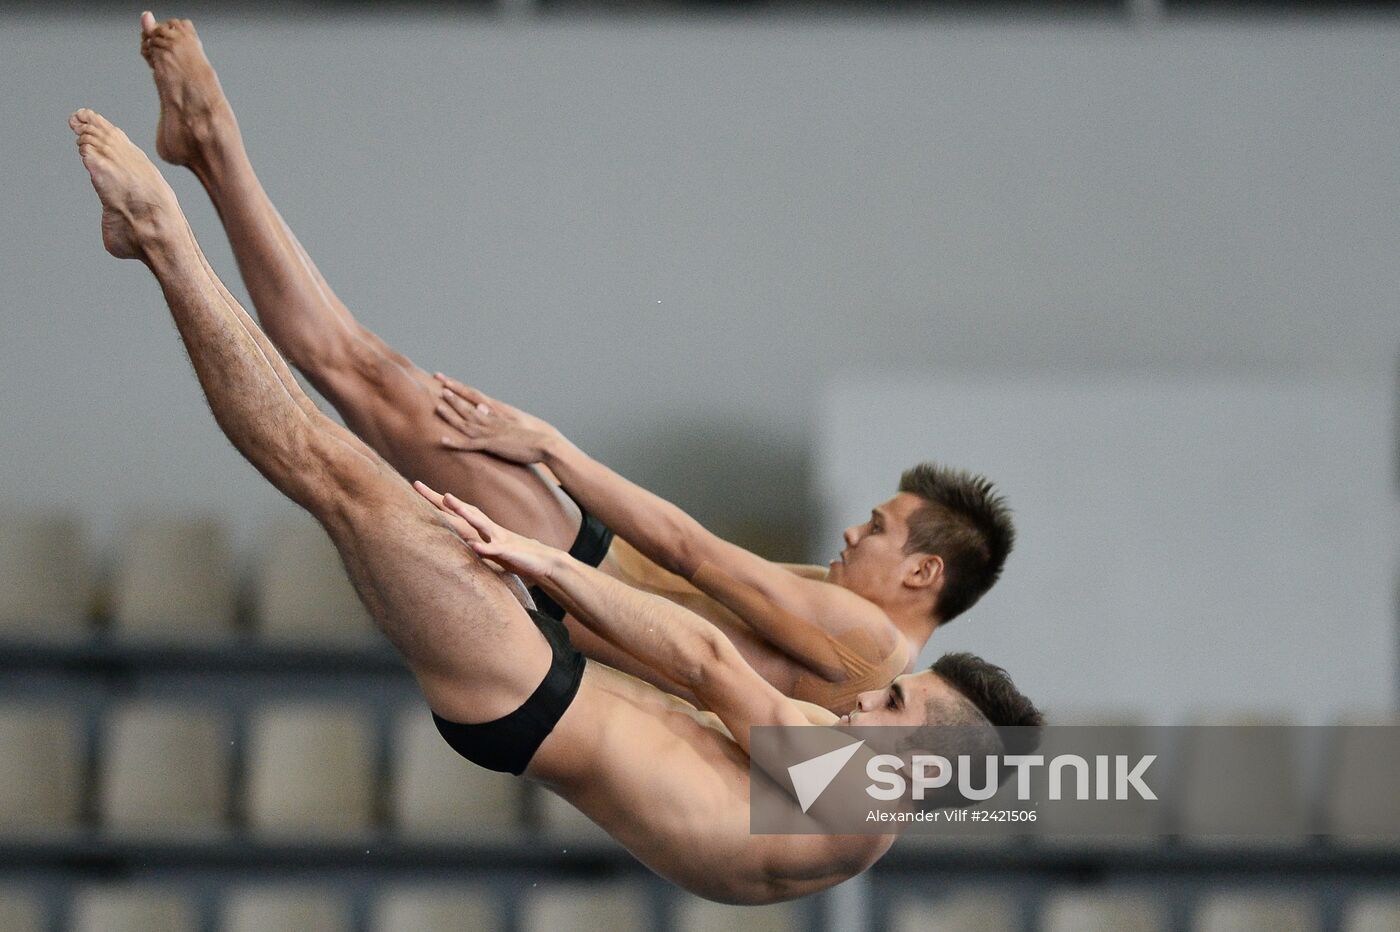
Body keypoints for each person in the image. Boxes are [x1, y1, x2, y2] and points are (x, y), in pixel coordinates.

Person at [69, 106, 1043, 903]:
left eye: (890, 707)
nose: (864, 701)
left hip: (528, 688)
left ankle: (162, 234)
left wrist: (548, 561)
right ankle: (178, 203)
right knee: (352, 414)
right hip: (549, 663)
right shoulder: (846, 772)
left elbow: (702, 644)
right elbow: (698, 630)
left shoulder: (845, 794)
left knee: (330, 466)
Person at [135, 13, 1015, 712]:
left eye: (878, 527)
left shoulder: (862, 639)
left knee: (356, 372)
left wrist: (550, 446)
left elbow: (683, 547)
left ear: (923, 573)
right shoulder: (860, 653)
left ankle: (209, 152)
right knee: (360, 370)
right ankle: (207, 160)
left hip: (567, 562)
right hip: (572, 593)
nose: (855, 533)